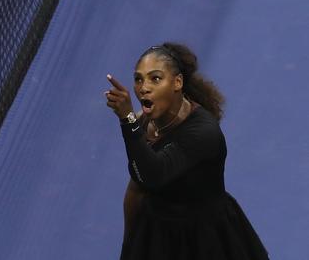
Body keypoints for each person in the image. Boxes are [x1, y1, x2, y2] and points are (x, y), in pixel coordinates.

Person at [104, 42, 268, 260]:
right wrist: (130, 246)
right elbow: (136, 189)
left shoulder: (203, 133)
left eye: (155, 78)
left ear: (177, 82)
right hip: (159, 235)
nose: (144, 87)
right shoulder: (144, 123)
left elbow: (154, 175)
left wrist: (128, 121)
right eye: (138, 79)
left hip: (208, 240)